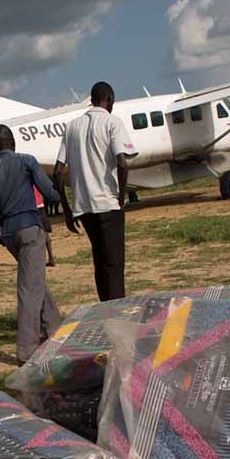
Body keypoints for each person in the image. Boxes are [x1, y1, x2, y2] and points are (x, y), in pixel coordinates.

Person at [0, 125, 63, 363]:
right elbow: (49, 193)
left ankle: (55, 328)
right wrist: (61, 191)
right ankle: (26, 351)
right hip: (30, 229)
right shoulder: (27, 161)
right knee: (28, 289)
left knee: (32, 278)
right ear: (13, 142)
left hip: (9, 233)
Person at [54, 81, 137, 302]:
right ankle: (117, 309)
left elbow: (57, 171)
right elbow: (122, 163)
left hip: (84, 207)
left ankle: (105, 308)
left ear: (92, 99)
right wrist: (120, 199)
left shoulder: (72, 126)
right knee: (114, 264)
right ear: (109, 99)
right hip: (108, 204)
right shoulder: (112, 122)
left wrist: (67, 209)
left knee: (99, 262)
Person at [33, 185, 56, 266]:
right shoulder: (35, 174)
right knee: (45, 233)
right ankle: (51, 257)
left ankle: (38, 260)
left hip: (30, 207)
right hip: (40, 205)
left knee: (33, 234)